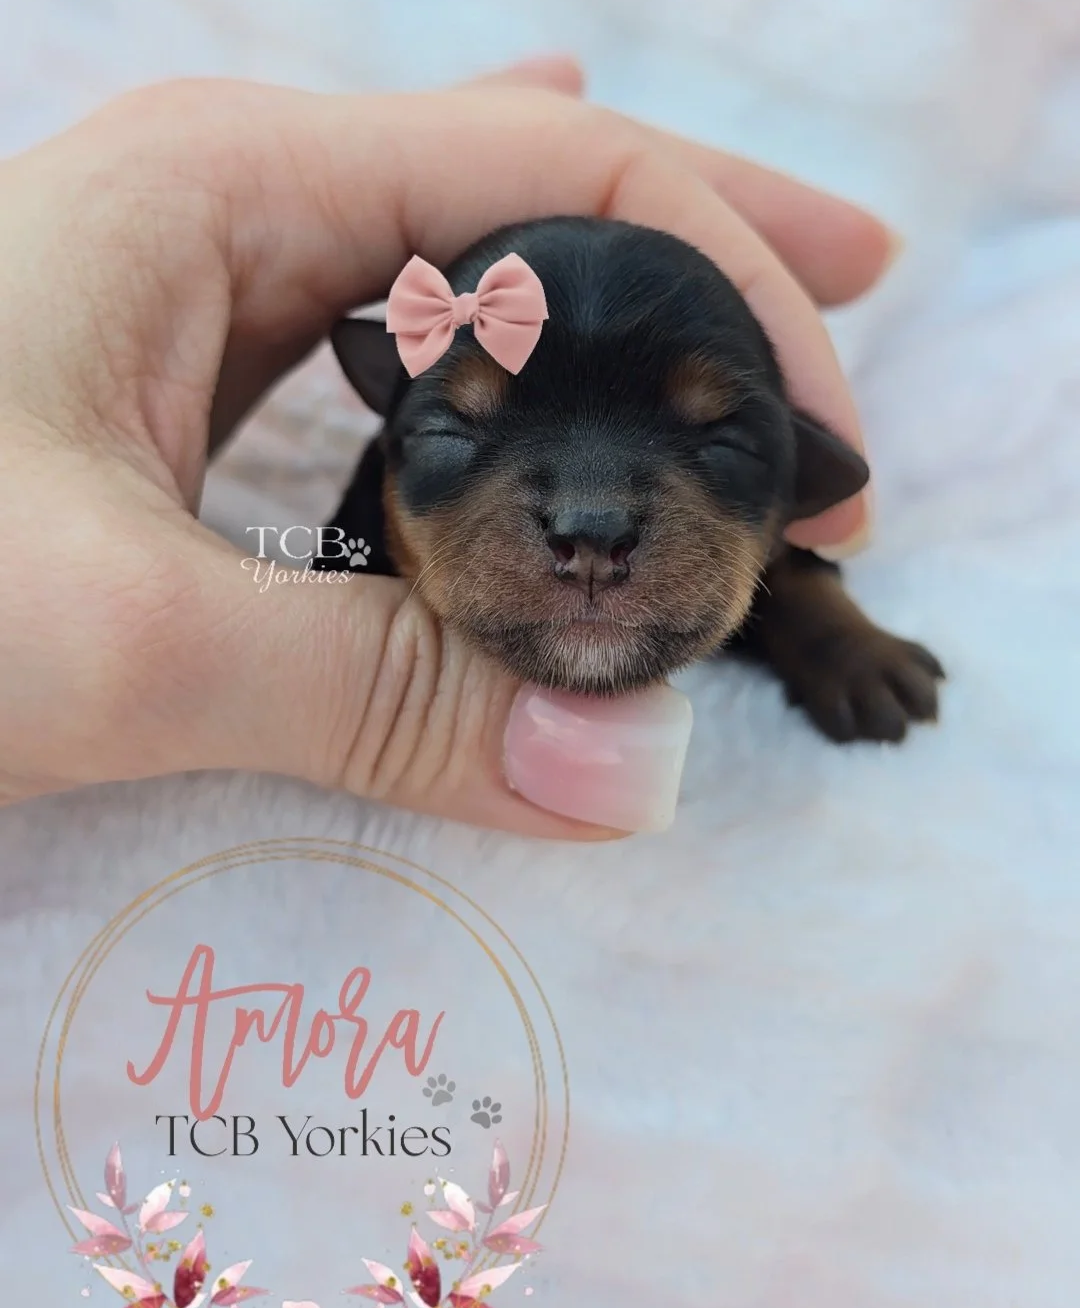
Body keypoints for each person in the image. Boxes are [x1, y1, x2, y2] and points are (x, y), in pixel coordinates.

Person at [0, 57, 896, 834]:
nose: (590, 521)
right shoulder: (353, 540)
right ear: (387, 444)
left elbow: (799, 572)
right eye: (456, 429)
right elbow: (319, 568)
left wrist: (829, 634)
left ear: (796, 487)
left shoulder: (773, 538)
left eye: (722, 445)